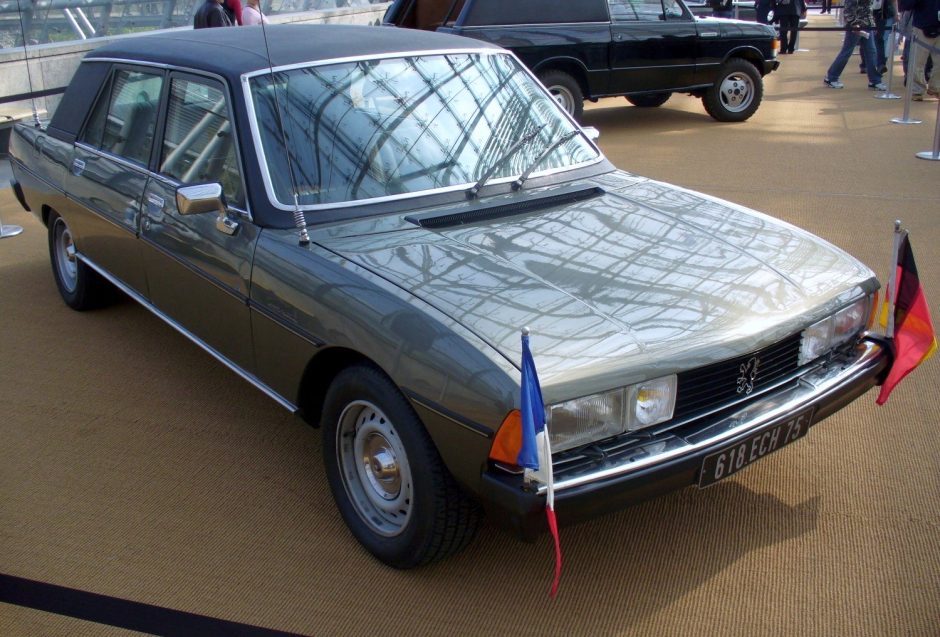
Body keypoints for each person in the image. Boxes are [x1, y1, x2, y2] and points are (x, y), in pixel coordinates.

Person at [824, 0, 886, 89]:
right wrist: (853, 24)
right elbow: (848, 8)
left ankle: (875, 81)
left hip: (867, 24)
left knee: (871, 52)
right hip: (856, 26)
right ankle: (831, 77)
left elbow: (869, 8)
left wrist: (872, 24)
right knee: (847, 52)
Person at [899, 0, 940, 99]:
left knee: (938, 62)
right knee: (917, 61)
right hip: (922, 26)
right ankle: (917, 90)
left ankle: (936, 87)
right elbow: (905, 5)